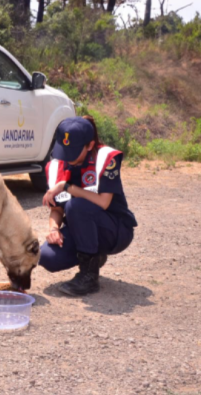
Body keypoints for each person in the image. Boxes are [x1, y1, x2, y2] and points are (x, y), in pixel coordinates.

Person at [39, 116, 137, 296]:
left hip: (114, 230)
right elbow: (57, 208)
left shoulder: (106, 159)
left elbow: (103, 202)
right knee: (47, 257)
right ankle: (94, 256)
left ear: (89, 145)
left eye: (73, 151)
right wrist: (53, 228)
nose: (67, 157)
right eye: (64, 150)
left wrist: (67, 187)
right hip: (83, 229)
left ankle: (89, 277)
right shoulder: (56, 165)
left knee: (76, 206)